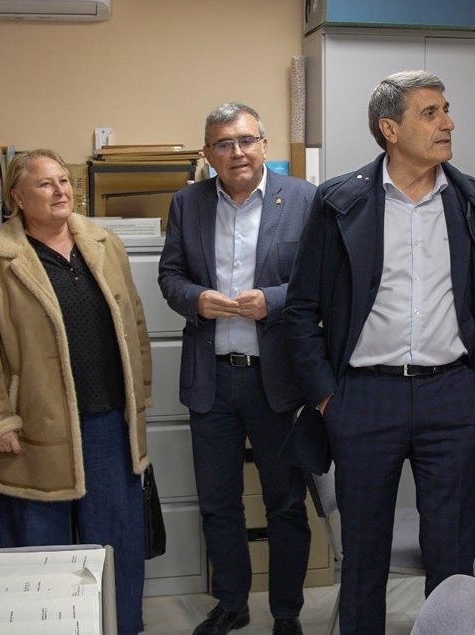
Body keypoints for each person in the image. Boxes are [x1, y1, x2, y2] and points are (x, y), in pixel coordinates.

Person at [284, 70, 475, 635]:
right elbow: (301, 308)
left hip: (454, 396)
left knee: (452, 559)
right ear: (390, 129)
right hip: (363, 398)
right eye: (430, 113)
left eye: (446, 109)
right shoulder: (339, 202)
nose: (448, 122)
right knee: (363, 561)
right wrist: (327, 397)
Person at [0, 149, 151, 635]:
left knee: (117, 545)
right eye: (45, 184)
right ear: (17, 197)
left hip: (109, 423)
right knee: (37, 550)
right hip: (34, 427)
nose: (60, 190)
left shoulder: (105, 243)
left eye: (64, 181)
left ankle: (122, 627)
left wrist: (140, 396)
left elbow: (135, 323)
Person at [159, 103, 314, 635]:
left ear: (264, 145)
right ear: (208, 154)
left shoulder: (303, 199)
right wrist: (195, 299)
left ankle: (287, 612)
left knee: (285, 503)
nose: (236, 152)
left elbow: (322, 281)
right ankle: (231, 603)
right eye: (223, 144)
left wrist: (273, 300)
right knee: (218, 503)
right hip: (212, 378)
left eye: (246, 140)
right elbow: (170, 275)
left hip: (277, 381)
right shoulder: (188, 202)